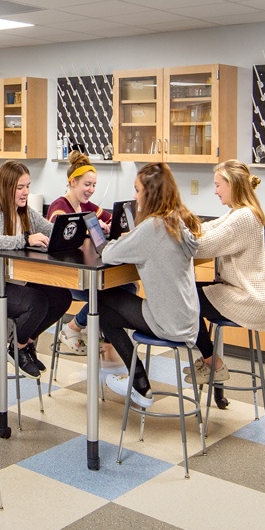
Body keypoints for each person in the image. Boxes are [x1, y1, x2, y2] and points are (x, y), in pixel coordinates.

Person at [100, 163, 201, 408]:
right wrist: (133, 240)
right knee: (109, 304)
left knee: (101, 305)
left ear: (150, 193)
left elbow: (108, 255)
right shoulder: (176, 221)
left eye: (137, 190)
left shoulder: (153, 227)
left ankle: (138, 381)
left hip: (168, 322)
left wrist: (126, 241)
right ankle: (137, 379)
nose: (134, 197)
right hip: (187, 317)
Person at [0, 161, 73, 379]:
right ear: (7, 187)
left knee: (62, 297)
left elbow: (52, 230)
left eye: (28, 186)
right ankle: (16, 347)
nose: (26, 192)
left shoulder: (26, 212)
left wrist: (85, 230)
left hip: (17, 281)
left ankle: (24, 343)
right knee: (37, 302)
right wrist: (25, 239)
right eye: (20, 187)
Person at [185, 160, 265, 384]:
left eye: (218, 185)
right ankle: (211, 362)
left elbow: (203, 246)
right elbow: (208, 228)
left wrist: (174, 236)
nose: (215, 191)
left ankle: (213, 363)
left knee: (180, 299)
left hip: (245, 300)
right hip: (238, 293)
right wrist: (182, 226)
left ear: (231, 184)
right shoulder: (240, 213)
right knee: (184, 293)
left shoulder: (243, 218)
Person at [47, 151, 134, 370]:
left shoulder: (87, 206)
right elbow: (60, 234)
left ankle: (103, 337)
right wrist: (89, 230)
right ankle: (77, 327)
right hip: (68, 278)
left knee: (128, 286)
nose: (91, 190)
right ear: (73, 182)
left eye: (94, 185)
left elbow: (112, 219)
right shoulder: (59, 207)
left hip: (89, 273)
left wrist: (107, 224)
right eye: (87, 184)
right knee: (112, 293)